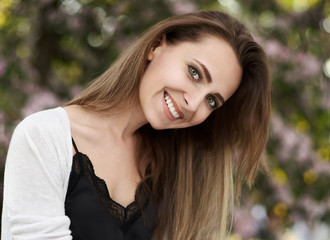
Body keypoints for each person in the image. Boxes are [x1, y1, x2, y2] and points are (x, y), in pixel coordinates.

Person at [1, 10, 271, 240]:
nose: (194, 103)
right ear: (156, 46)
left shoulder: (173, 173)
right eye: (194, 73)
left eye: (212, 101)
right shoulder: (44, 137)